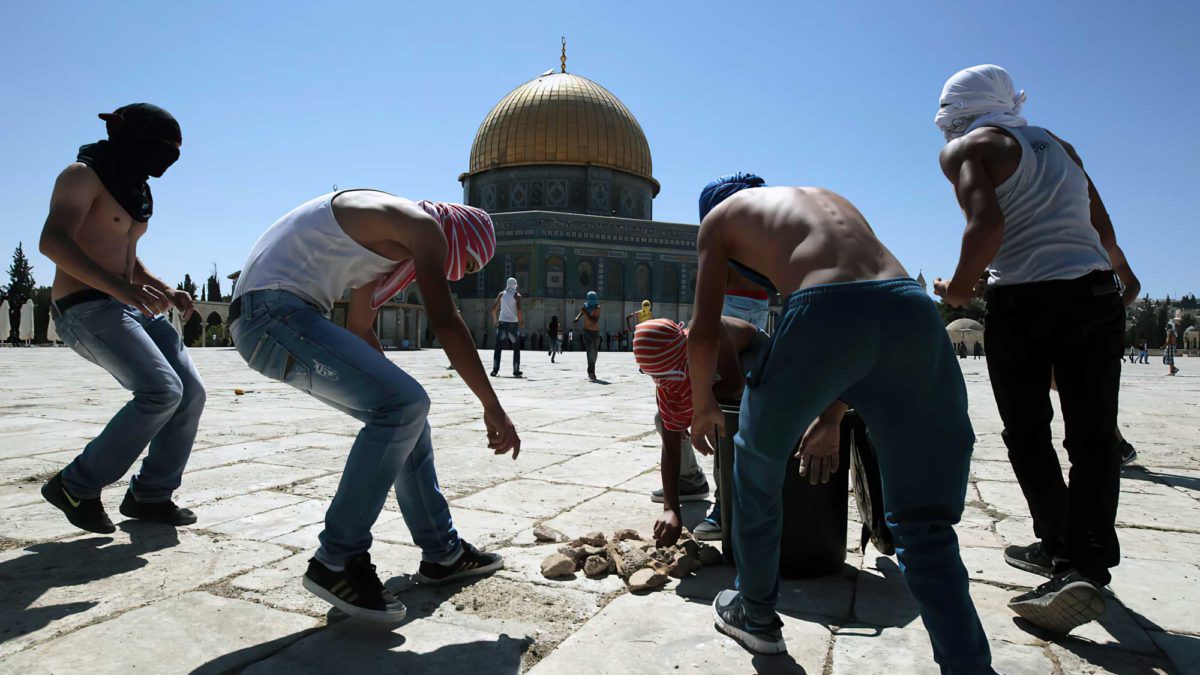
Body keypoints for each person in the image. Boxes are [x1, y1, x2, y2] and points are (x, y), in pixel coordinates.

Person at [689, 176, 991, 669]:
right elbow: (866, 317)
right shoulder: (827, 202)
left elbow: (704, 331)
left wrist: (702, 403)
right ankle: (969, 666)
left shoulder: (717, 221)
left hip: (824, 311)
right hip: (912, 312)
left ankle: (756, 612)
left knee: (756, 461)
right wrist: (832, 417)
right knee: (923, 523)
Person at [229, 190, 520, 622]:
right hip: (273, 315)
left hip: (274, 317)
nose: (457, 275)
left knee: (406, 415)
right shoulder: (425, 229)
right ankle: (337, 561)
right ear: (460, 239)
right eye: (469, 263)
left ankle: (443, 553)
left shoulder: (381, 240)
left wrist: (395, 397)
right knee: (404, 406)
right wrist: (492, 405)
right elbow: (445, 321)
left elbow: (360, 326)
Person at [935, 64, 1139, 635]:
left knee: (1028, 432)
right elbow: (1097, 220)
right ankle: (1086, 560)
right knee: (1094, 433)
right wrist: (1123, 272)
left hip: (1027, 300)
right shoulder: (1060, 145)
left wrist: (956, 290)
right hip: (1096, 294)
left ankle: (1062, 554)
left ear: (955, 111)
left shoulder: (969, 149)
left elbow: (985, 227)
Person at [38, 103, 203, 534]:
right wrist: (119, 289)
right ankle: (74, 485)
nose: (166, 161)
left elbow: (124, 255)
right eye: (162, 150)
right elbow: (53, 241)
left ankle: (151, 496)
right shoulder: (81, 175)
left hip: (128, 303)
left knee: (191, 393)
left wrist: (165, 288)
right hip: (87, 308)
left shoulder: (134, 187)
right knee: (160, 391)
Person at [634, 317, 768, 547]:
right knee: (664, 418)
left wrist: (700, 418)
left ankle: (726, 505)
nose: (664, 383)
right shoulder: (666, 380)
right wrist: (671, 509)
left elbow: (734, 386)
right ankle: (691, 481)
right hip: (713, 378)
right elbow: (670, 444)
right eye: (658, 378)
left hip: (752, 355)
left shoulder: (707, 337)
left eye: (670, 376)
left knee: (723, 419)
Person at [702, 174, 775, 332]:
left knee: (733, 349)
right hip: (761, 301)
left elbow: (720, 275)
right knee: (756, 349)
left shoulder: (728, 239)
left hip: (735, 299)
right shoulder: (764, 241)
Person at [490, 277, 523, 377]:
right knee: (516, 347)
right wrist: (521, 321)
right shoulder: (517, 295)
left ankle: (495, 370)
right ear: (515, 285)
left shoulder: (501, 294)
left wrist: (495, 320)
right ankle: (516, 370)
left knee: (498, 347)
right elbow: (519, 310)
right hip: (513, 324)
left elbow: (493, 309)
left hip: (502, 323)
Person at [573, 291, 602, 380]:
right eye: (591, 298)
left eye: (594, 298)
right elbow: (582, 312)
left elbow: (594, 321)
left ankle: (591, 368)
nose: (592, 300)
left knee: (594, 352)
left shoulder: (597, 308)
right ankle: (591, 372)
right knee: (590, 350)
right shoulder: (586, 306)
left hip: (595, 333)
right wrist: (577, 317)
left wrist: (585, 312)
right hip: (587, 332)